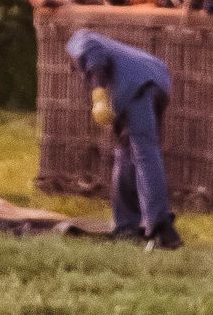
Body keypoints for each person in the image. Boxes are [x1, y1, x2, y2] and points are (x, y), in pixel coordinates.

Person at [66, 28, 182, 249]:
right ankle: (128, 225)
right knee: (125, 151)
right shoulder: (118, 55)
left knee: (144, 152)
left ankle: (160, 225)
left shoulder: (77, 42)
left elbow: (92, 52)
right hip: (157, 80)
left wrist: (98, 95)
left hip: (136, 84)